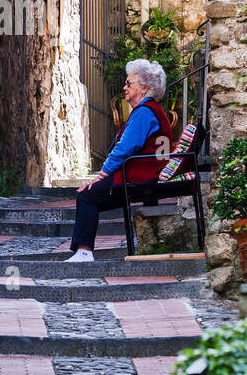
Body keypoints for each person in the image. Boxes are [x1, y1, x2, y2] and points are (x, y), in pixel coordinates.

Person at [66, 58, 172, 262]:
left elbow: (125, 148)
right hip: (150, 173)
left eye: (129, 83)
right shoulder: (153, 110)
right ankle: (83, 251)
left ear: (144, 88)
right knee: (91, 195)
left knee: (88, 195)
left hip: (141, 178)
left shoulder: (143, 112)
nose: (124, 87)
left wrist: (102, 174)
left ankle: (84, 252)